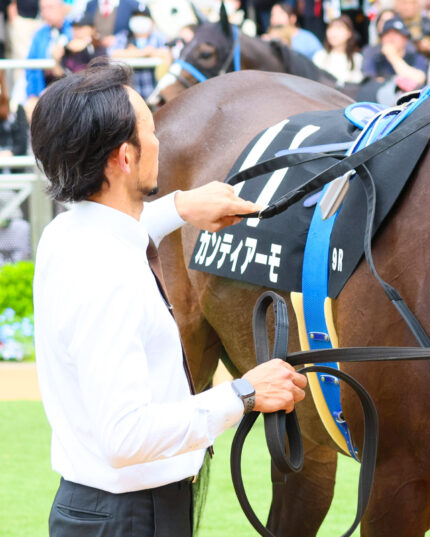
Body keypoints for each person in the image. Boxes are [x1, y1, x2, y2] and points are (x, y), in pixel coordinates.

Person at [31, 60, 308, 536]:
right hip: (133, 518)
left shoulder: (67, 234)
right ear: (123, 158)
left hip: (108, 511)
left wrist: (181, 207)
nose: (159, 141)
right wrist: (244, 393)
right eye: (150, 131)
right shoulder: (107, 275)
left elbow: (124, 229)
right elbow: (126, 437)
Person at [108, 8, 169, 98]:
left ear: (151, 22)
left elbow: (167, 53)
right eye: (136, 17)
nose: (140, 21)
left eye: (143, 18)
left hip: (154, 94)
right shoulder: (123, 37)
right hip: (129, 95)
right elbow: (113, 53)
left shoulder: (159, 38)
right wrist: (143, 53)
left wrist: (135, 53)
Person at [25, 0, 72, 99]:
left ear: (62, 8)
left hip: (70, 92)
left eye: (50, 7)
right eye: (43, 8)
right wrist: (33, 95)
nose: (45, 12)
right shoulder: (39, 34)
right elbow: (31, 68)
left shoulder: (75, 29)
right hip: (43, 92)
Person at [313, 15, 365, 87]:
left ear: (349, 33)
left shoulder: (357, 59)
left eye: (338, 28)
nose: (333, 33)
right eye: (330, 28)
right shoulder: (320, 56)